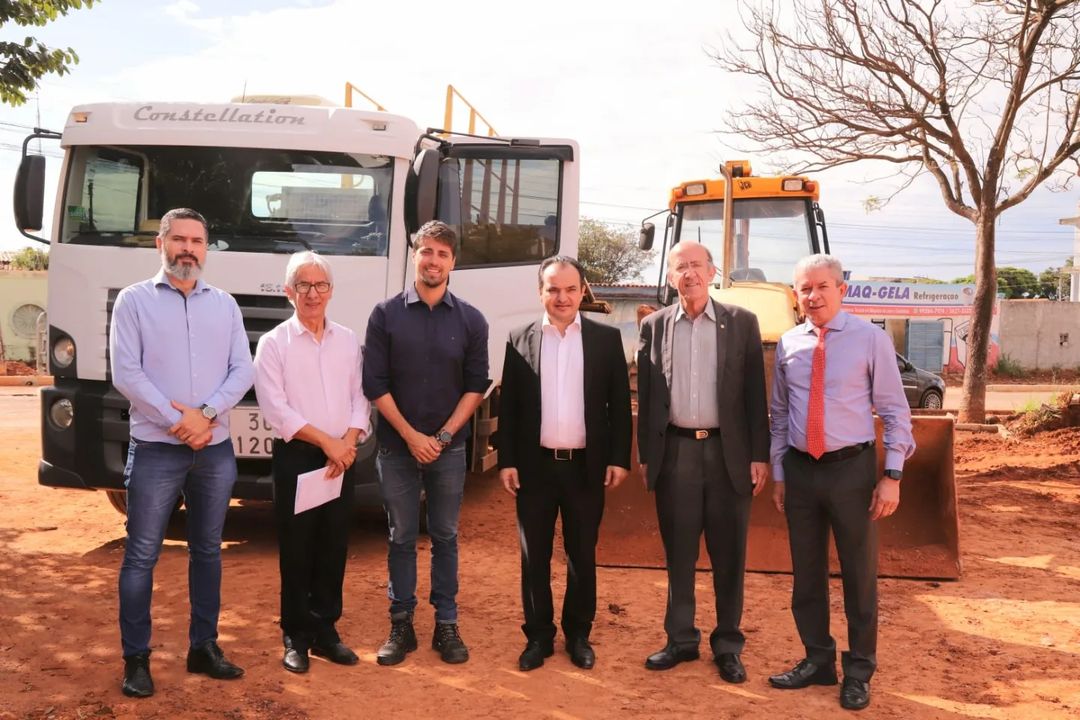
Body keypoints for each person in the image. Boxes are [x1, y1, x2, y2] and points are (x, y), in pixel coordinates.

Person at [109, 208, 254, 698]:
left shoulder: (226, 305)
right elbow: (126, 374)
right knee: (142, 555)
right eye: (180, 240)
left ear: (206, 248)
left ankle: (204, 647)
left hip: (213, 451)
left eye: (198, 240)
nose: (189, 248)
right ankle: (136, 660)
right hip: (155, 449)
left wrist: (207, 414)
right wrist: (180, 420)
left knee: (208, 551)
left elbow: (242, 370)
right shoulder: (133, 302)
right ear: (161, 244)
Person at [768, 254, 914, 711]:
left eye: (822, 287)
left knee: (858, 574)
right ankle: (817, 660)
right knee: (806, 575)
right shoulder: (788, 345)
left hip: (852, 471)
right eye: (804, 288)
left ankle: (858, 670)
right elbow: (778, 415)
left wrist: (891, 475)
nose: (812, 296)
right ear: (796, 295)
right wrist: (778, 473)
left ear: (841, 289)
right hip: (800, 471)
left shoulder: (871, 339)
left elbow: (894, 412)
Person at [636, 241, 770, 682]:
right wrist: (646, 455)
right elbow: (648, 395)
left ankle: (728, 644)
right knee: (678, 553)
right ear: (670, 276)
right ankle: (680, 639)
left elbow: (756, 394)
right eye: (680, 267)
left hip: (728, 454)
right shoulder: (654, 326)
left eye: (697, 265)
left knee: (729, 555)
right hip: (675, 453)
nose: (689, 274)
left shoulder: (742, 323)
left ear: (712, 272)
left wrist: (758, 455)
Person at [362, 220, 490, 666]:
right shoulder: (385, 315)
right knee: (400, 536)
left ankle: (446, 624)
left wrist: (441, 436)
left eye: (443, 253)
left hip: (448, 449)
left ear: (453, 262)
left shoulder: (472, 319)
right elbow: (374, 384)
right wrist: (413, 437)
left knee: (446, 535)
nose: (433, 260)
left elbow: (476, 385)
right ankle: (401, 624)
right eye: (426, 251)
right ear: (414, 255)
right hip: (397, 448)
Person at [498, 256, 632, 672]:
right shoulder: (518, 338)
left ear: (582, 291)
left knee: (582, 555)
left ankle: (578, 635)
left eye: (571, 289)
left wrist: (618, 458)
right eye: (553, 289)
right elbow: (512, 407)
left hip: (585, 469)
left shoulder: (605, 341)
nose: (562, 297)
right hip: (534, 468)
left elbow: (618, 407)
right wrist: (506, 460)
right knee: (533, 556)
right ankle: (538, 637)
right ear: (540, 292)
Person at [253, 251, 371, 674]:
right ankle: (295, 637)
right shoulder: (273, 344)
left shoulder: (347, 339)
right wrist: (328, 443)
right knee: (297, 548)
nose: (313, 293)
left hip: (343, 457)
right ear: (289, 292)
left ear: (331, 291)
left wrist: (349, 441)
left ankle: (326, 632)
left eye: (320, 285)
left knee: (334, 545)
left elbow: (361, 397)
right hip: (299, 458)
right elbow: (276, 410)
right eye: (303, 285)